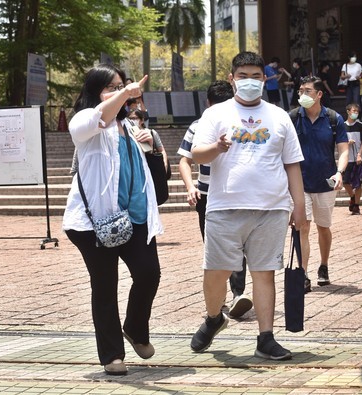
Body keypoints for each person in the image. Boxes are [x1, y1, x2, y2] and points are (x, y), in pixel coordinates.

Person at [190, 51, 305, 360]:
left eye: (256, 76)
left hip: (271, 208)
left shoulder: (280, 116)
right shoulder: (216, 115)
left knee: (264, 272)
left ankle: (265, 338)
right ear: (232, 79)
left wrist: (300, 207)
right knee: (217, 271)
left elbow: (292, 164)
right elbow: (197, 154)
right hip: (225, 206)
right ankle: (214, 317)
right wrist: (217, 147)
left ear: (265, 79)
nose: (250, 82)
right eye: (243, 76)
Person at [62, 64, 163, 376]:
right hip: (93, 223)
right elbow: (99, 116)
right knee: (105, 286)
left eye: (121, 84)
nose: (119, 90)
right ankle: (111, 355)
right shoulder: (85, 122)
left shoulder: (130, 128)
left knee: (149, 274)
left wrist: (153, 146)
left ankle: (134, 328)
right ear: (95, 92)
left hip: (134, 219)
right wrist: (124, 94)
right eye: (111, 86)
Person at [177, 80, 253, 319]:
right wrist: (190, 187)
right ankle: (219, 298)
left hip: (235, 193)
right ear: (208, 105)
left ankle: (237, 294)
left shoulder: (243, 125)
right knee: (214, 246)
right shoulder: (198, 126)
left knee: (237, 245)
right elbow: (185, 160)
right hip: (207, 195)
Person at [290, 75, 348, 293]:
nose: (302, 95)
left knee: (323, 227)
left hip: (325, 183)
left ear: (319, 94)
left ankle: (323, 265)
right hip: (299, 184)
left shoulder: (334, 119)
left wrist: (340, 172)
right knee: (302, 227)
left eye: (307, 91)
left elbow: (343, 151)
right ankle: (303, 273)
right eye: (300, 91)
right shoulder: (293, 117)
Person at [342, 103, 362, 215]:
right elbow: (339, 142)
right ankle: (352, 197)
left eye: (357, 112)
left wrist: (359, 155)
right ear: (348, 111)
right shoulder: (342, 126)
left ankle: (356, 205)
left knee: (359, 183)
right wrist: (347, 143)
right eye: (353, 111)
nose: (355, 113)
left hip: (359, 159)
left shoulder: (361, 125)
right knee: (345, 181)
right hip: (347, 159)